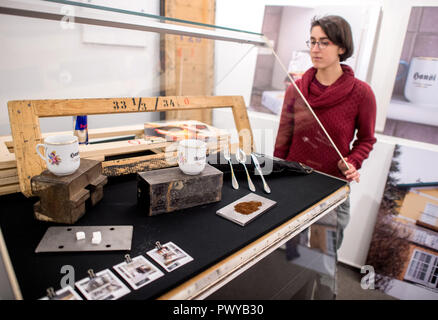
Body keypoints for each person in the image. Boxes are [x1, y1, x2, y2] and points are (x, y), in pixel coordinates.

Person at [274, 15, 377, 250]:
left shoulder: (362, 93)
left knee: (322, 260)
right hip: (293, 185)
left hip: (329, 189)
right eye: (312, 41)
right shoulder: (296, 90)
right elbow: (283, 141)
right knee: (291, 257)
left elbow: (367, 139)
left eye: (324, 42)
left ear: (342, 47)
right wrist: (277, 179)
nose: (315, 49)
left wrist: (352, 161)